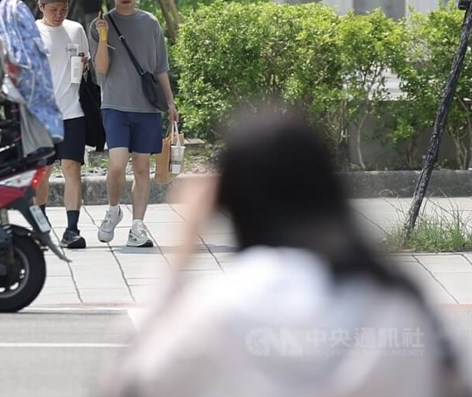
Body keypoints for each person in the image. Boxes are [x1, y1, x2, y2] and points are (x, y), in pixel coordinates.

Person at [102, 110, 471, 397]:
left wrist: (183, 249)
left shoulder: (224, 305)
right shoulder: (399, 301)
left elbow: (132, 382)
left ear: (232, 203)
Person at [89, 0, 177, 248]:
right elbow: (101, 69)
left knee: (141, 167)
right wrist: (103, 36)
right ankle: (113, 209)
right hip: (114, 105)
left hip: (147, 107)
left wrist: (170, 102)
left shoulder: (150, 22)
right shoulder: (100, 24)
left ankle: (137, 227)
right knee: (116, 164)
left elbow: (160, 68)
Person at [34, 0, 89, 249]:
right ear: (41, 7)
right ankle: (42, 227)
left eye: (64, 9)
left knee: (71, 168)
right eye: (54, 9)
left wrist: (84, 65)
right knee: (43, 171)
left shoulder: (76, 30)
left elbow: (81, 66)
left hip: (72, 112)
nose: (59, 14)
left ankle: (72, 229)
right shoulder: (32, 32)